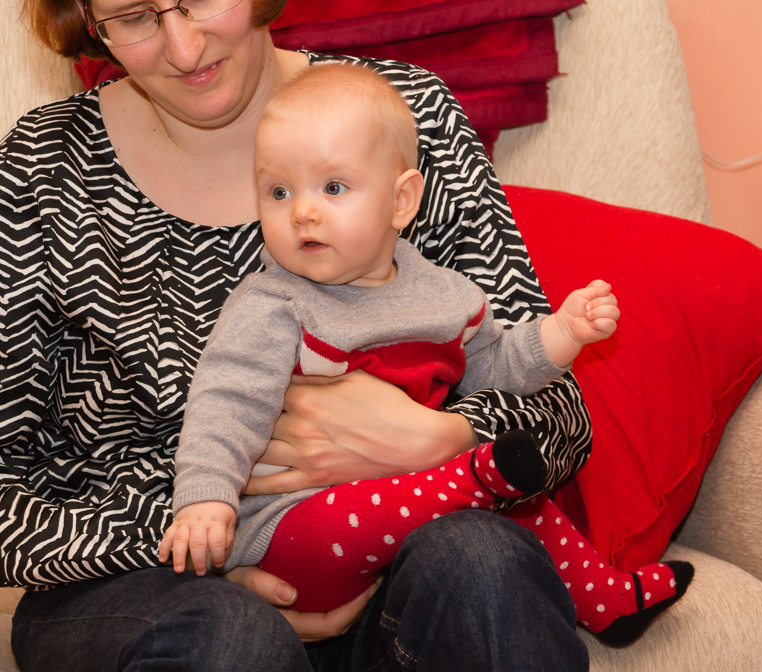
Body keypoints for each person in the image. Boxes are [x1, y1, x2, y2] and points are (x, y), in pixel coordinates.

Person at [1, 0, 598, 669]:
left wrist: (442, 438)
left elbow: (557, 417)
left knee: (485, 565)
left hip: (397, 552)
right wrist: (218, 544)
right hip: (135, 583)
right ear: (87, 18)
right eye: (135, 14)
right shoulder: (43, 168)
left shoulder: (407, 113)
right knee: (230, 639)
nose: (185, 47)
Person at [160, 63, 691, 645]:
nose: (302, 212)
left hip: (414, 533)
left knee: (516, 505)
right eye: (279, 192)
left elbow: (495, 367)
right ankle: (470, 480)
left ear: (401, 200)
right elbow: (225, 402)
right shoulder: (273, 303)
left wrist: (561, 333)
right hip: (295, 530)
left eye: (332, 188)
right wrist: (205, 499)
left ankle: (606, 600)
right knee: (491, 484)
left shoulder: (444, 295)